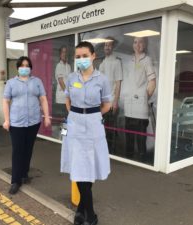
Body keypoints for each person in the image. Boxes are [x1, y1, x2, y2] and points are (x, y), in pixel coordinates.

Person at [61, 42, 112, 225]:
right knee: (78, 166)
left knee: (89, 167)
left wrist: (92, 115)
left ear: (93, 56)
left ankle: (82, 210)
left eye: (84, 55)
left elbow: (107, 104)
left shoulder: (102, 79)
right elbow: (67, 98)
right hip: (74, 125)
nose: (81, 59)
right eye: (78, 56)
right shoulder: (71, 77)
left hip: (93, 126)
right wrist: (74, 115)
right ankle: (90, 214)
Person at [3, 56, 51, 195]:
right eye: (22, 65)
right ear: (18, 68)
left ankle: (24, 173)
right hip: (16, 122)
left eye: (27, 65)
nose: (25, 68)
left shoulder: (37, 82)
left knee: (28, 149)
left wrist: (46, 116)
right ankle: (15, 180)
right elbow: (5, 101)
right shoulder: (11, 83)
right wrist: (6, 120)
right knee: (18, 150)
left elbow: (43, 99)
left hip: (33, 122)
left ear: (30, 68)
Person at [124, 37, 156, 160]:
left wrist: (144, 97)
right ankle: (128, 160)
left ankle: (141, 161)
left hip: (140, 108)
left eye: (141, 42)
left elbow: (152, 82)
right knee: (129, 137)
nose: (138, 45)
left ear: (145, 44)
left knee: (141, 138)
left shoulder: (147, 60)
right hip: (128, 106)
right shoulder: (130, 60)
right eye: (135, 42)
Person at [99, 37, 123, 153]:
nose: (107, 47)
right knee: (102, 127)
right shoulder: (102, 63)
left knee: (110, 129)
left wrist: (116, 102)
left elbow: (118, 83)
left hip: (111, 102)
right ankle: (104, 150)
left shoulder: (116, 62)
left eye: (109, 45)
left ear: (113, 47)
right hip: (102, 103)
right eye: (105, 45)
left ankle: (111, 152)